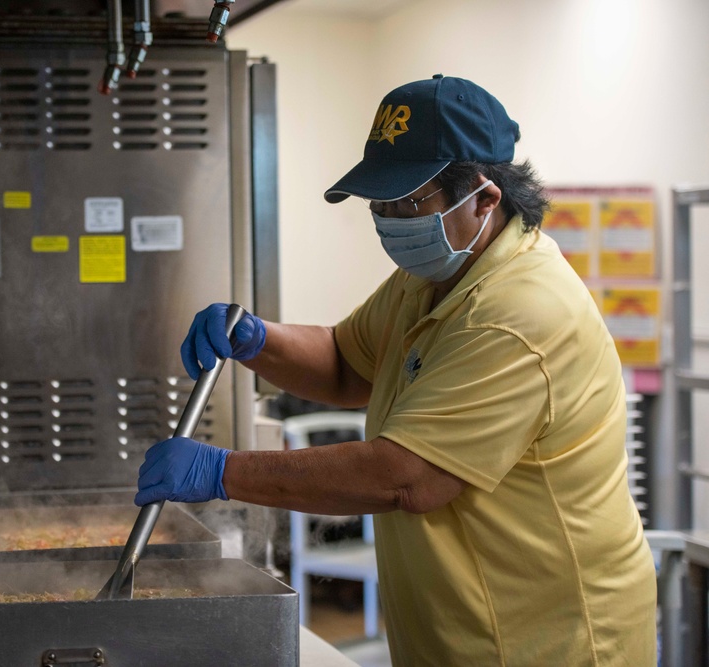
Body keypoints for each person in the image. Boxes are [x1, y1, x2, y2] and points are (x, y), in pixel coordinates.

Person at [135, 74, 656, 665]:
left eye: (407, 202)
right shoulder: (434, 278)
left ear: (484, 198)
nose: (387, 219)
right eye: (379, 203)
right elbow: (345, 363)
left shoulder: (517, 314)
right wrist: (256, 340)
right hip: (459, 634)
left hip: (544, 641)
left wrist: (222, 472)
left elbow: (406, 478)